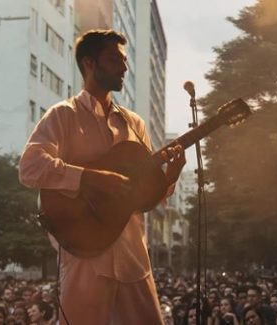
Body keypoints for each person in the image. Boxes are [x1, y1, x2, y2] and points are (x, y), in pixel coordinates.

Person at [19, 29, 185, 325]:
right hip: (85, 256)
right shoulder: (62, 116)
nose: (124, 67)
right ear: (89, 63)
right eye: (114, 59)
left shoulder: (135, 125)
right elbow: (30, 167)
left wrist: (168, 181)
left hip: (134, 257)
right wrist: (91, 178)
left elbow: (139, 196)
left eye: (124, 60)